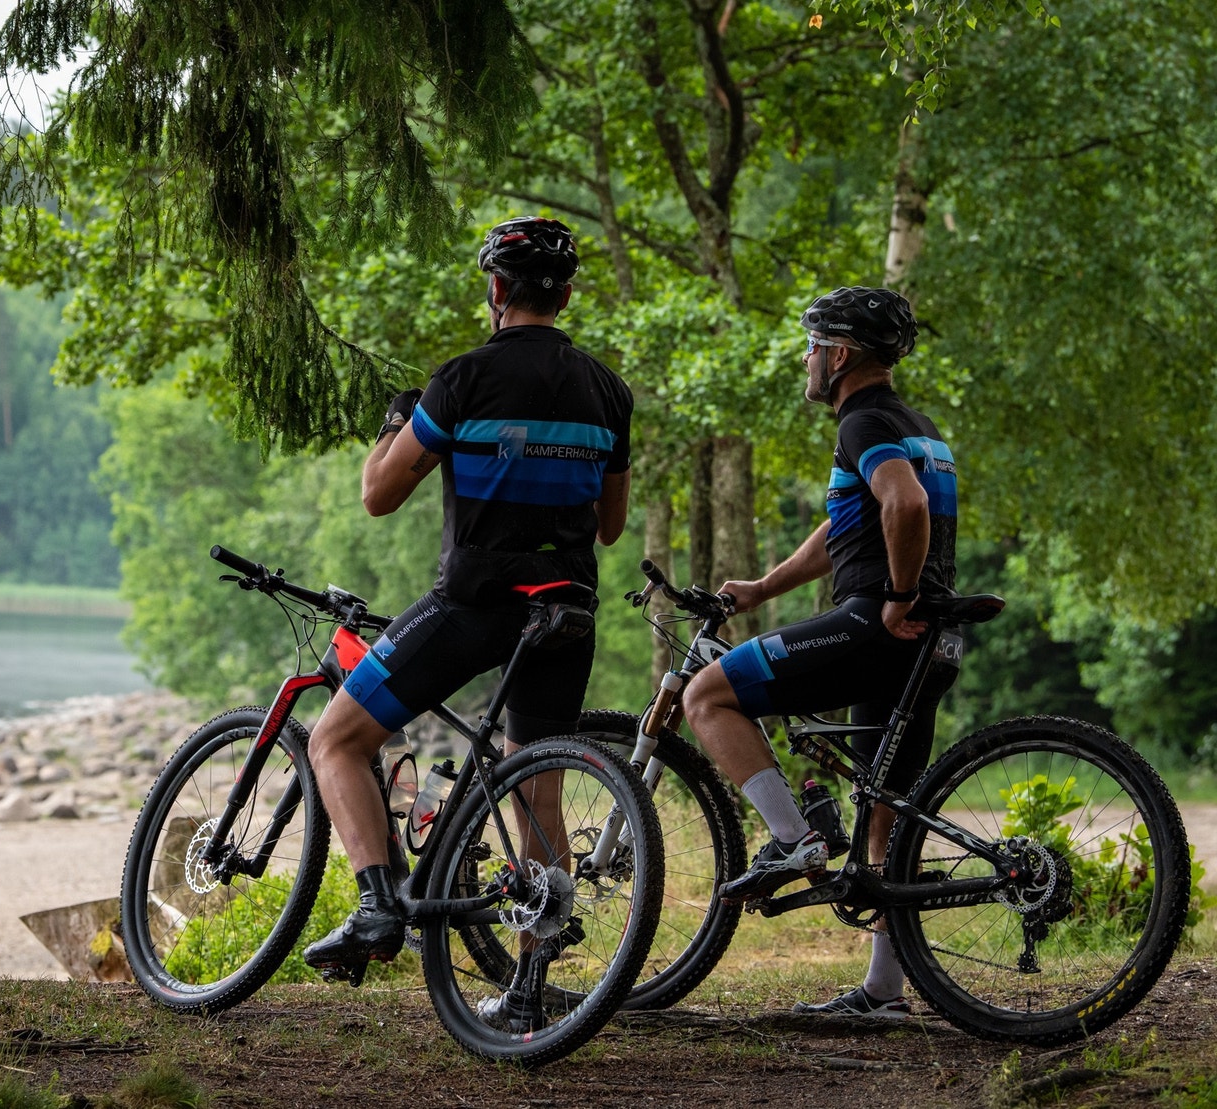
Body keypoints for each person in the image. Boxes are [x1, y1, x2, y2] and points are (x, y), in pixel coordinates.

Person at [301, 216, 634, 1030]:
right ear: (567, 294)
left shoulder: (460, 381)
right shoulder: (607, 389)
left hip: (474, 606)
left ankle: (379, 906)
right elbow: (612, 524)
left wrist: (394, 423)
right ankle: (528, 988)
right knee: (536, 794)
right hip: (566, 610)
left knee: (337, 740)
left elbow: (379, 494)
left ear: (495, 290)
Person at [681, 286, 959, 1019]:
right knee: (884, 812)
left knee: (706, 695)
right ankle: (884, 992)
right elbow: (850, 524)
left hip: (876, 626)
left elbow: (905, 506)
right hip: (933, 639)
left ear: (838, 355)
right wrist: (766, 586)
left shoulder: (862, 420)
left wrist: (894, 595)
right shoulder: (917, 423)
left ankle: (795, 837)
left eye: (811, 346)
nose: (806, 359)